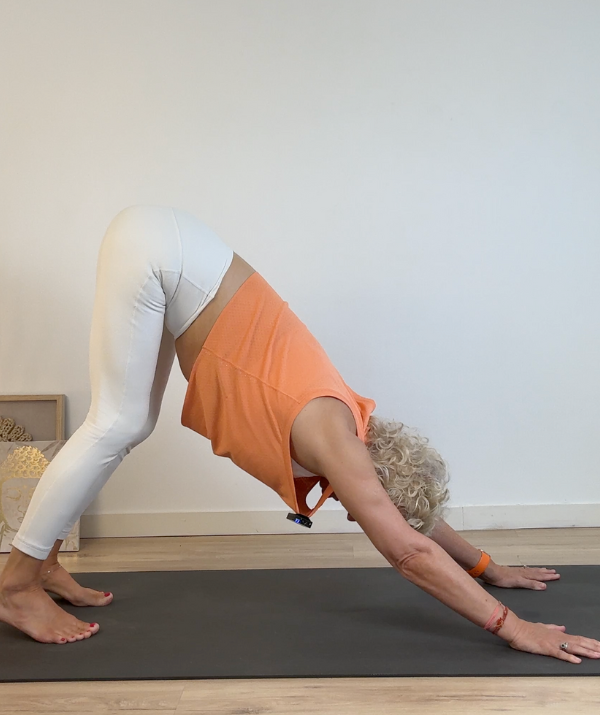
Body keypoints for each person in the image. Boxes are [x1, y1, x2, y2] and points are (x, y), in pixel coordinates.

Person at [0, 206, 598, 665]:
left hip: (168, 249)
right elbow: (409, 549)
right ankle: (17, 586)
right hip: (161, 255)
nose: (363, 511)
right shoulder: (334, 439)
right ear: (372, 477)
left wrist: (486, 565)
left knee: (129, 422)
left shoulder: (358, 433)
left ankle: (44, 564)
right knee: (118, 423)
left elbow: (408, 517)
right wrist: (516, 627)